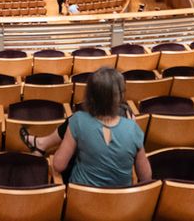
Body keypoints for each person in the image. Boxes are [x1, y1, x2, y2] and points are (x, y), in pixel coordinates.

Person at [22, 67, 150, 187]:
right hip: (122, 206)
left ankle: (41, 144)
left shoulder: (78, 120)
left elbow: (58, 165)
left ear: (90, 96)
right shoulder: (133, 128)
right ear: (120, 96)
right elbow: (146, 177)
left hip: (80, 203)